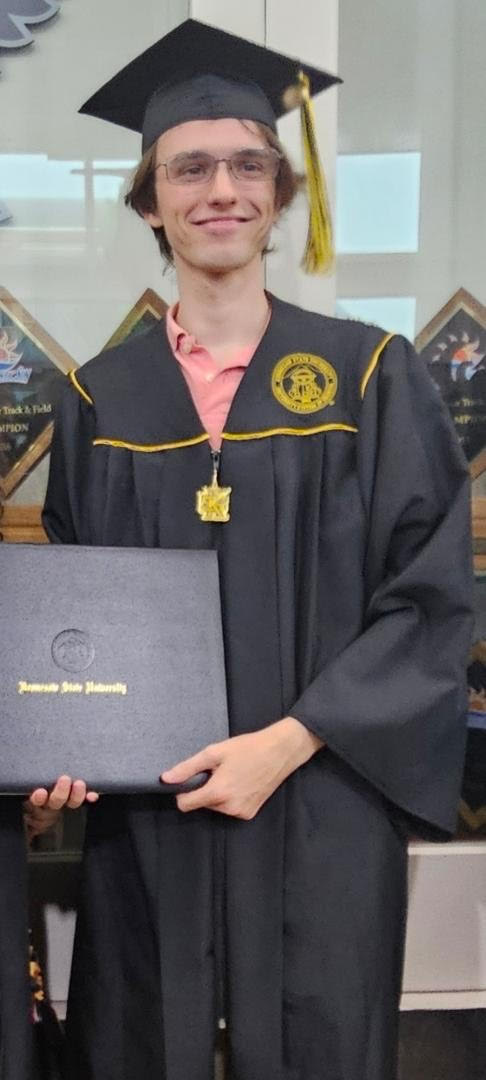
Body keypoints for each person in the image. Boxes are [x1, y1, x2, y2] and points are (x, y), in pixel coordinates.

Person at [28, 18, 473, 1080]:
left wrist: (291, 739)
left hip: (324, 791)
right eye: (189, 168)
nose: (220, 189)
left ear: (280, 195)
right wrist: (53, 752)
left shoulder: (369, 376)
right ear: (150, 202)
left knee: (321, 1032)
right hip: (155, 808)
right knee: (144, 1036)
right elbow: (71, 614)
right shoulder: (100, 397)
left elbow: (429, 600)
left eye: (247, 165)